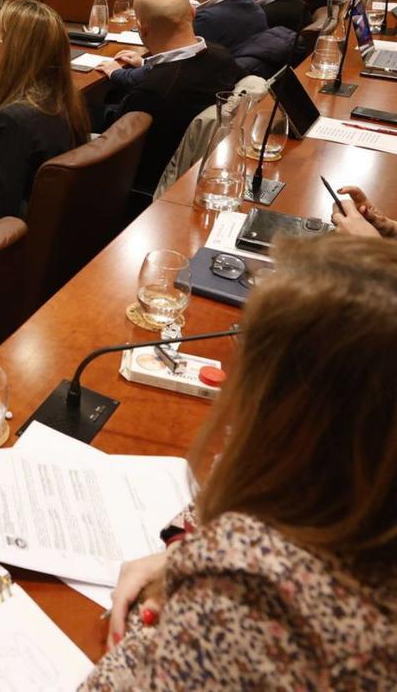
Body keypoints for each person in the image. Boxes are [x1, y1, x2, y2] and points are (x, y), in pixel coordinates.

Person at [82, 234, 397, 690]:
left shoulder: (249, 589)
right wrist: (181, 550)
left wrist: (162, 614)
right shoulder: (355, 496)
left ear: (297, 416)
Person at [0, 1, 89, 229]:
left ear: (13, 50)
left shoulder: (13, 120)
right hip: (51, 224)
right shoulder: (64, 99)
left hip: (7, 235)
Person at [99, 0, 241, 195]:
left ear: (142, 29)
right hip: (199, 172)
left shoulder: (152, 93)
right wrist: (146, 64)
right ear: (192, 13)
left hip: (144, 190)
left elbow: (115, 148)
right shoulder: (222, 56)